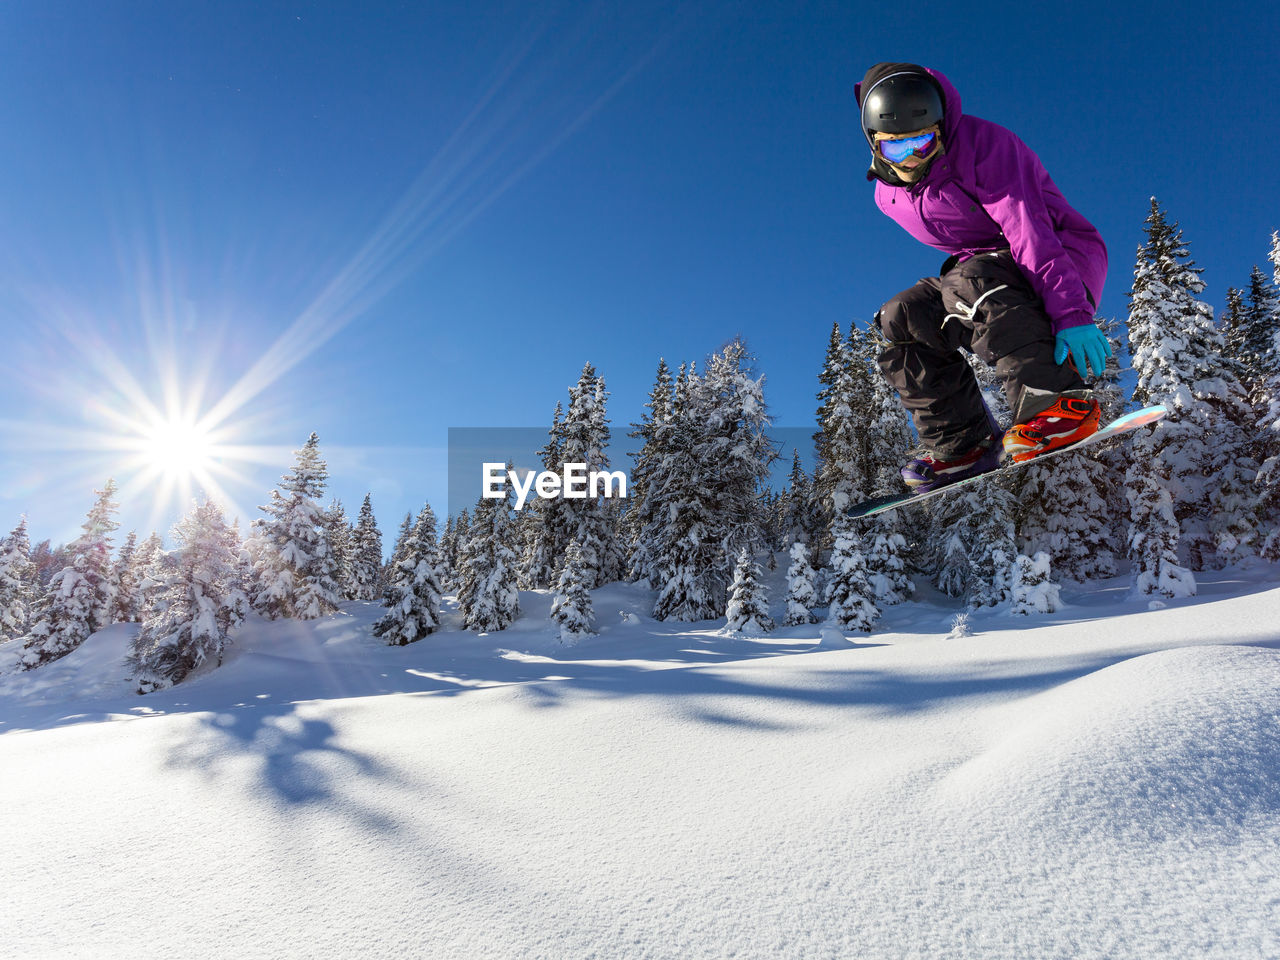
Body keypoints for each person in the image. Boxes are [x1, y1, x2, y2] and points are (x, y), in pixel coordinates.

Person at [855, 62, 1112, 491]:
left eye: (922, 143)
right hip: (984, 269)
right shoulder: (887, 195)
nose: (912, 160)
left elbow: (1028, 229)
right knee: (902, 315)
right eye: (896, 151)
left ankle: (1058, 404)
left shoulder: (983, 146)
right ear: (874, 145)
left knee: (967, 280)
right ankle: (964, 444)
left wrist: (1071, 313)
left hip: (1059, 256)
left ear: (940, 128)